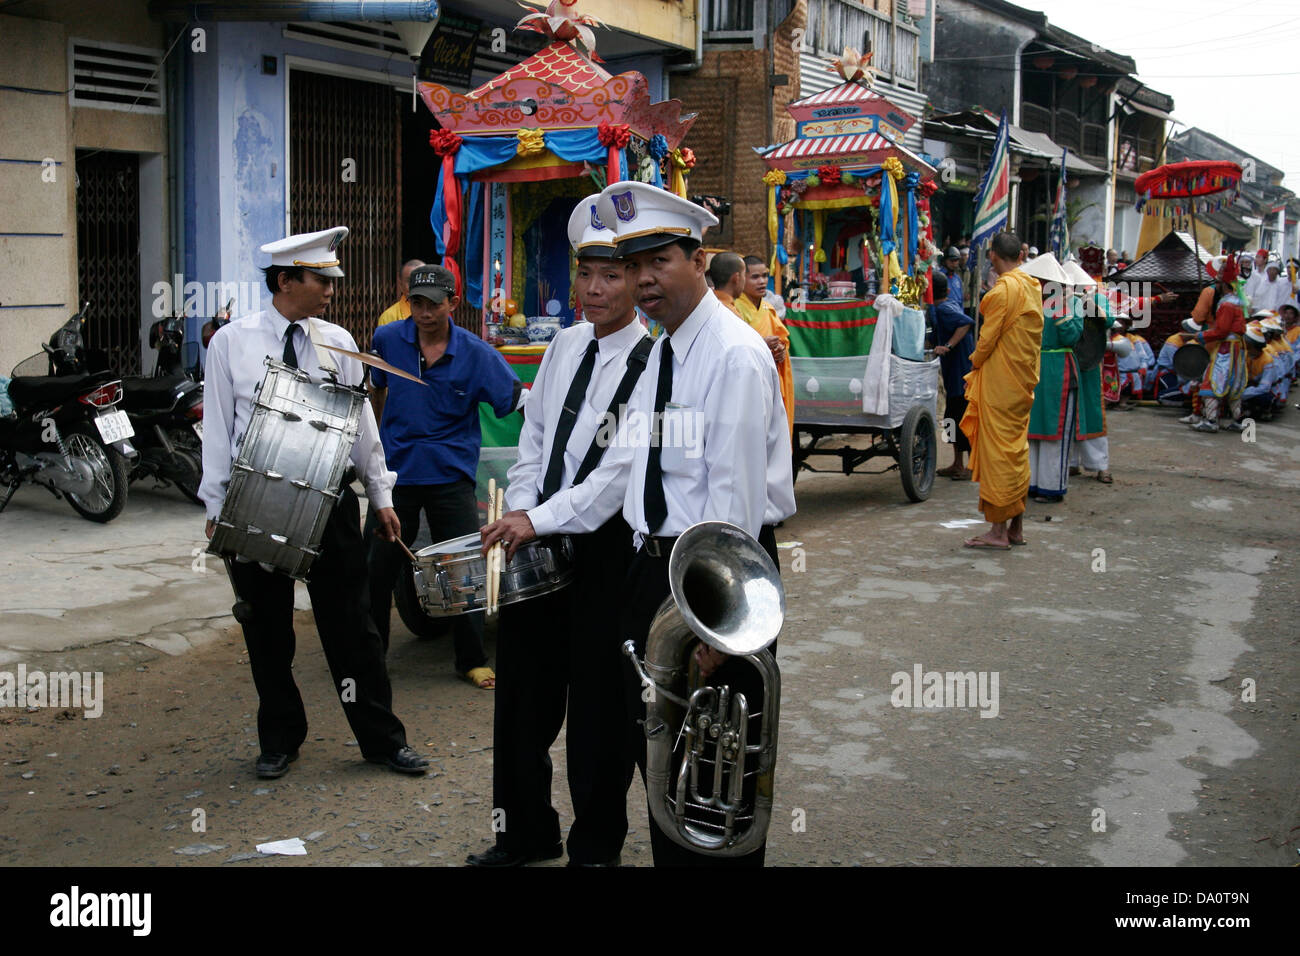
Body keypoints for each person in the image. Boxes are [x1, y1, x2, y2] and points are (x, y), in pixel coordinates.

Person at [593, 180, 795, 868]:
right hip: (653, 571)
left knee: (719, 770)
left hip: (713, 583)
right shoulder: (661, 350)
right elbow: (632, 468)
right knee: (662, 754)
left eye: (660, 261)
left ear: (697, 259)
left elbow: (731, 506)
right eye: (632, 266)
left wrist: (717, 632)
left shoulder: (733, 354)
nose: (643, 280)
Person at [199, 227, 428, 779]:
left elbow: (362, 423)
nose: (330, 289)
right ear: (285, 281)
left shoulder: (338, 341)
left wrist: (380, 494)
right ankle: (279, 740)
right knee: (268, 628)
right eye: (320, 279)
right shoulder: (231, 344)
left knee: (353, 628)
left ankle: (382, 740)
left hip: (328, 505)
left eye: (331, 279)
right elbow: (218, 430)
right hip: (255, 506)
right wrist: (215, 508)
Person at [465, 198, 651, 868]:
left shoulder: (655, 361)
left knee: (602, 712)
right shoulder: (564, 345)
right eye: (587, 274)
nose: (596, 288)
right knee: (521, 699)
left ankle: (595, 849)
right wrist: (521, 508)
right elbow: (534, 440)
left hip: (605, 554)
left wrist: (534, 517)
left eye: (613, 274)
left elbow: (618, 476)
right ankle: (524, 834)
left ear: (637, 279)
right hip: (537, 539)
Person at [366, 264, 521, 685]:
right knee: (377, 569)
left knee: (463, 571)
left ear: (452, 303)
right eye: (417, 303)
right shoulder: (387, 340)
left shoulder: (476, 353)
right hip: (395, 475)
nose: (425, 313)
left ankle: (469, 658)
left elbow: (513, 399)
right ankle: (368, 655)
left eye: (434, 304)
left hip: (450, 477)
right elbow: (376, 388)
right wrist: (376, 447)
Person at [960, 231, 1043, 550]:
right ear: (1020, 256)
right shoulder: (1032, 286)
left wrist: (975, 361)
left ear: (993, 257)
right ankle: (1016, 527)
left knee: (998, 454)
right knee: (1016, 450)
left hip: (1000, 382)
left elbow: (988, 339)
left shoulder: (1005, 290)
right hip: (1022, 382)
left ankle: (997, 532)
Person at [1022, 256, 1083, 503]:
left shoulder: (1072, 304)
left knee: (1055, 431)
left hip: (1059, 370)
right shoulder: (1031, 304)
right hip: (1034, 369)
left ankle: (1051, 486)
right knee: (1032, 431)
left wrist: (1060, 311)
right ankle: (1032, 483)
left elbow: (1072, 336)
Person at [734, 256, 796, 437]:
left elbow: (782, 339)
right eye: (755, 277)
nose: (762, 282)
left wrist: (780, 351)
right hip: (747, 385)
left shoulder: (768, 308)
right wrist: (761, 345)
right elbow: (736, 348)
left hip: (770, 379)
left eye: (764, 276)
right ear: (740, 278)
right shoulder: (734, 309)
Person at [1189, 255, 1248, 433]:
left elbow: (1221, 331)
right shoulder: (1237, 301)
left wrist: (1203, 336)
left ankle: (1211, 421)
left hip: (1226, 349)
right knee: (1233, 384)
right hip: (1236, 348)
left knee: (1211, 382)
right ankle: (1238, 420)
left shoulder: (1227, 304)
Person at [928, 271, 975, 479]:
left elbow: (966, 322)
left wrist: (948, 345)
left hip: (961, 373)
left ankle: (971, 466)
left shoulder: (945, 308)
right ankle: (957, 463)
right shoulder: (942, 306)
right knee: (950, 419)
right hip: (954, 374)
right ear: (947, 290)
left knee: (961, 419)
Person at [1241, 326, 1281, 421]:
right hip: (1250, 385)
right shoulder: (1246, 354)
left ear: (1255, 346)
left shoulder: (1267, 360)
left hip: (1266, 390)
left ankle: (1266, 410)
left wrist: (1243, 394)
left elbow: (1264, 387)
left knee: (1263, 397)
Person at [377, 259, 425, 327]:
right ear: (400, 284)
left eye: (421, 281)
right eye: (410, 281)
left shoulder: (438, 311)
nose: (415, 286)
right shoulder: (389, 317)